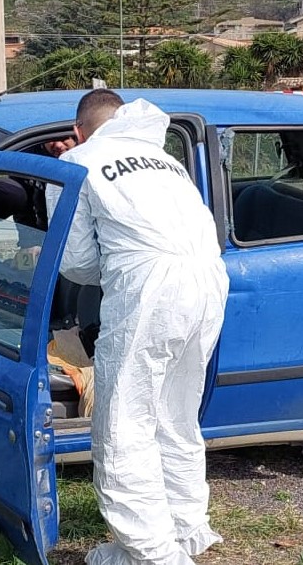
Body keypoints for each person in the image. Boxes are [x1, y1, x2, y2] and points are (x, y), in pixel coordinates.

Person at [45, 89, 229, 565]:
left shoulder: (77, 164)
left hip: (148, 290)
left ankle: (149, 554)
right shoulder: (164, 159)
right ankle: (187, 531)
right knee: (175, 416)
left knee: (124, 424)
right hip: (208, 284)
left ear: (78, 130)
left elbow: (78, 265)